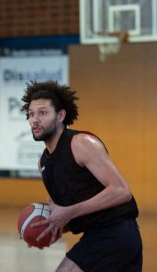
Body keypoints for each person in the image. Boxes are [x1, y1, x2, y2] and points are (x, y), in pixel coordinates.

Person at [21, 81, 142, 271]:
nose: (35, 119)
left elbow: (121, 191)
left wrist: (68, 212)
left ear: (61, 115)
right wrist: (49, 227)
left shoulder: (81, 143)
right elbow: (73, 213)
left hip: (116, 234)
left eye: (43, 113)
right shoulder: (43, 163)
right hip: (98, 236)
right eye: (31, 114)